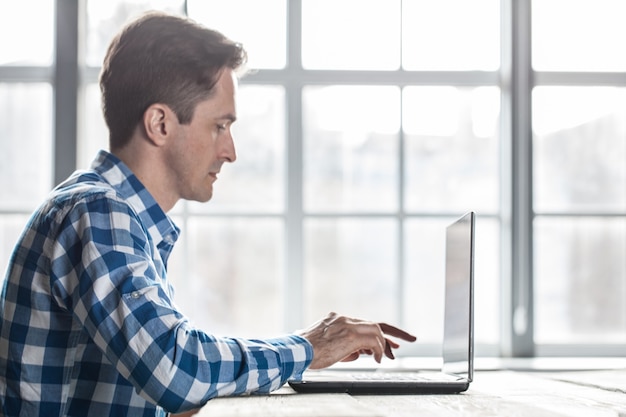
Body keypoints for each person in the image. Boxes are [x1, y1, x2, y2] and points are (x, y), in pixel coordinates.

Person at [0, 11, 416, 417]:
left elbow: (160, 383)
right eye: (220, 126)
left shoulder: (118, 217)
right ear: (160, 123)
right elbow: (176, 369)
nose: (231, 151)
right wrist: (308, 349)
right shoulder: (97, 213)